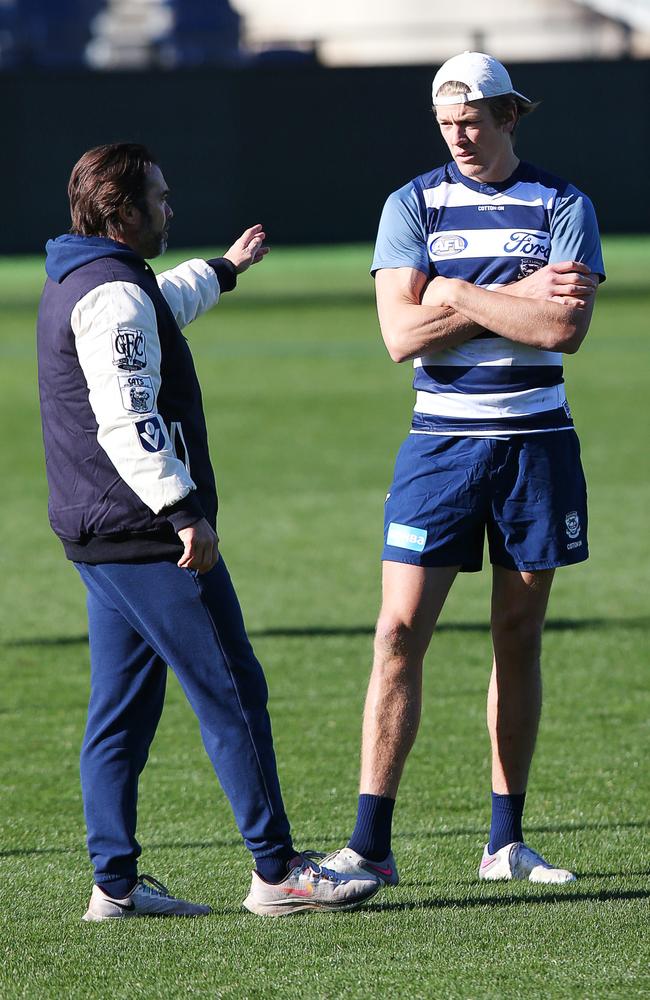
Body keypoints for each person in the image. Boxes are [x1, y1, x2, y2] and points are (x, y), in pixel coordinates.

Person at [36, 142, 379, 920]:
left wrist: (224, 269)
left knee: (119, 712)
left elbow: (161, 304)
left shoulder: (92, 277)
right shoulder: (114, 296)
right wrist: (182, 511)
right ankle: (278, 872)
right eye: (157, 197)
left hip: (101, 534)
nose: (169, 206)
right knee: (231, 687)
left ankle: (114, 887)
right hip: (146, 533)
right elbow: (129, 418)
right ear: (119, 211)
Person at [321, 52, 604, 888]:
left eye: (474, 121)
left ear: (510, 115)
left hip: (536, 446)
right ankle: (371, 844)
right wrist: (514, 294)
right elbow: (399, 339)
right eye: (447, 124)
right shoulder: (411, 203)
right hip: (438, 449)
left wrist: (453, 291)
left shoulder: (564, 204)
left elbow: (563, 333)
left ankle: (505, 843)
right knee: (399, 632)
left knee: (517, 636)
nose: (460, 137)